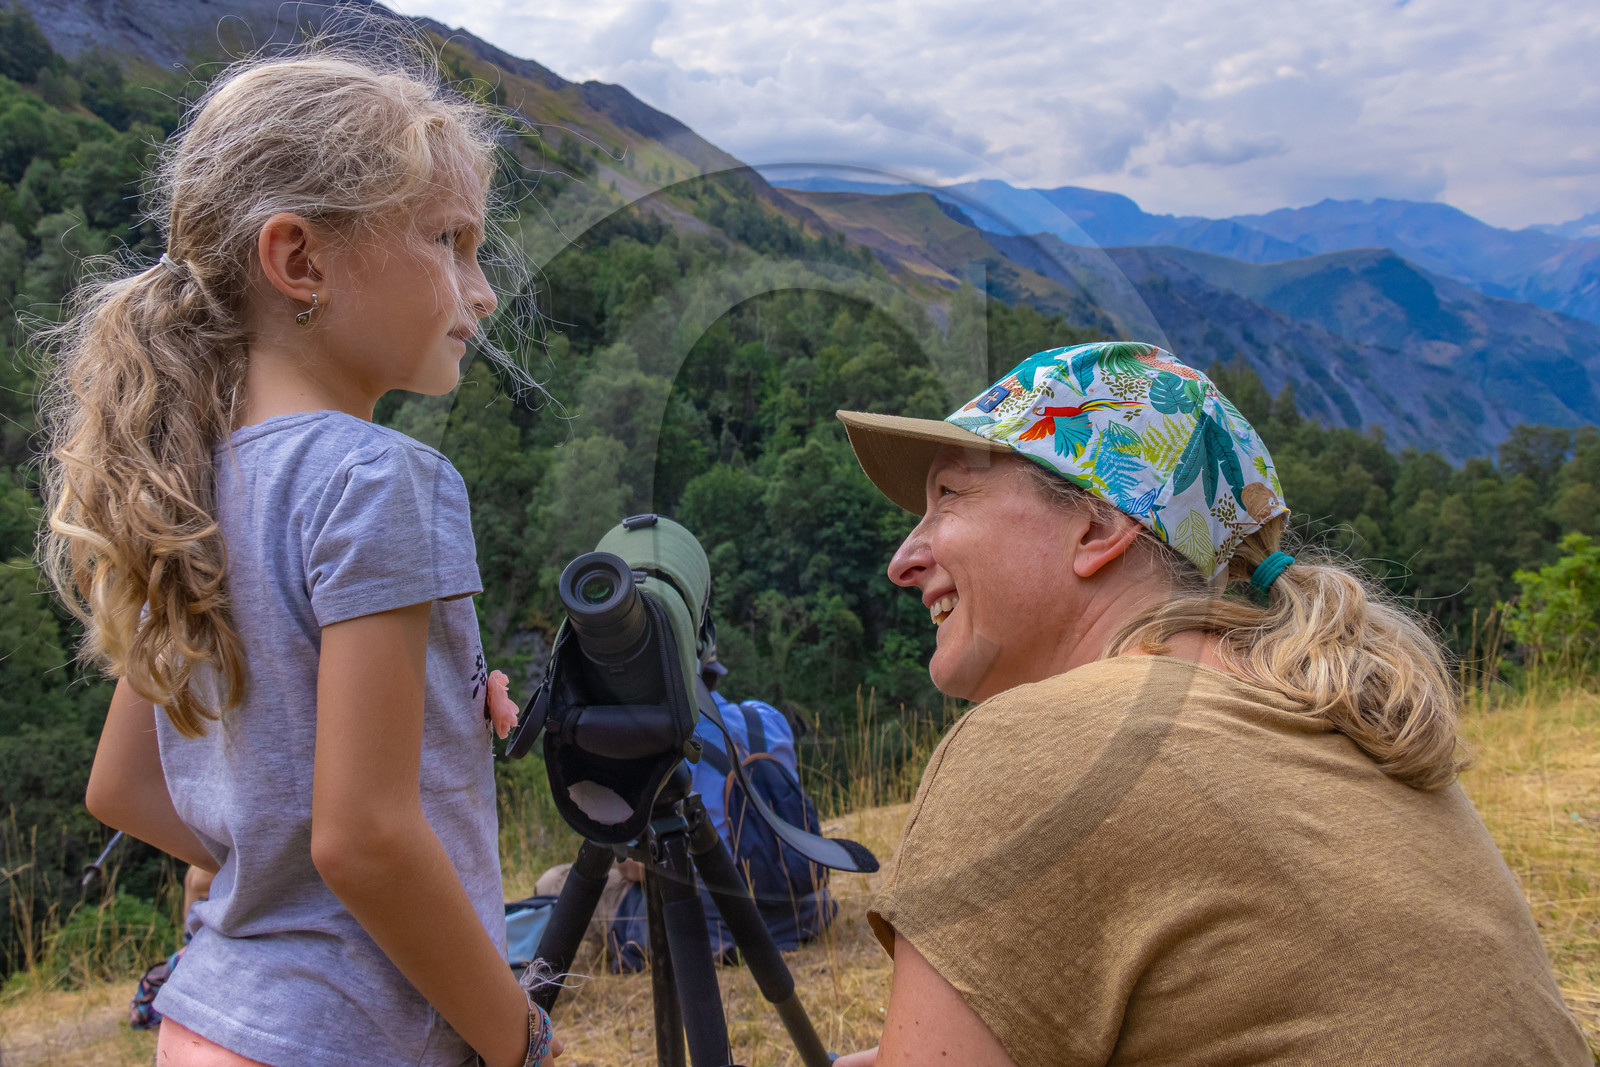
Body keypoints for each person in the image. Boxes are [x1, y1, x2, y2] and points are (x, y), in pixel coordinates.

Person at [830, 341, 1591, 1065]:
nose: (904, 559)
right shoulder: (1328, 715)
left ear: (1096, 528)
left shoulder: (1033, 746)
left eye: (949, 497)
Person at [39, 47, 558, 1067]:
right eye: (449, 241)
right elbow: (362, 836)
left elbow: (127, 787)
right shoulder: (383, 477)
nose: (483, 290)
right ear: (300, 261)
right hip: (351, 1031)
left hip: (210, 1015)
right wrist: (514, 1031)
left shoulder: (181, 484)